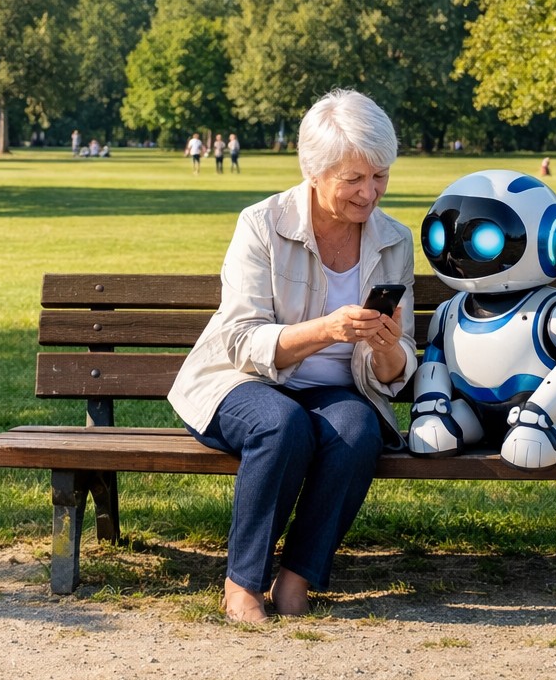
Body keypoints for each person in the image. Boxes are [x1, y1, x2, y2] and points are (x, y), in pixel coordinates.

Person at [168, 89, 416, 624]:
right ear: (314, 171)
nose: (369, 193)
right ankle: (243, 582)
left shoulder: (394, 240)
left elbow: (396, 373)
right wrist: (326, 330)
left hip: (336, 392)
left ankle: (297, 580)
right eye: (353, 178)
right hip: (239, 381)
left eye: (380, 176)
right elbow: (238, 339)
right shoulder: (262, 223)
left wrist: (388, 346)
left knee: (358, 429)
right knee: (282, 424)